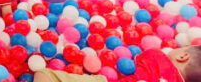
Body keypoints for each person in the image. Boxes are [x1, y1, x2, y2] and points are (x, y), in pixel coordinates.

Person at [33, 45, 201, 82]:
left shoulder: (159, 56)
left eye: (179, 48)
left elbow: (137, 60)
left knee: (44, 74)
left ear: (183, 56)